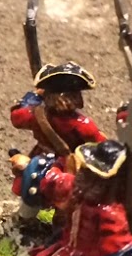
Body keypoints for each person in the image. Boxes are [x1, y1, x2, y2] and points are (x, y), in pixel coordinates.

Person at [9, 62, 105, 221]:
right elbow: (101, 145)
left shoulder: (35, 114)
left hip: (50, 162)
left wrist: (35, 96)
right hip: (60, 164)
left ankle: (28, 220)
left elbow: (17, 117)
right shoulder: (81, 124)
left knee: (39, 191)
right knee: (55, 194)